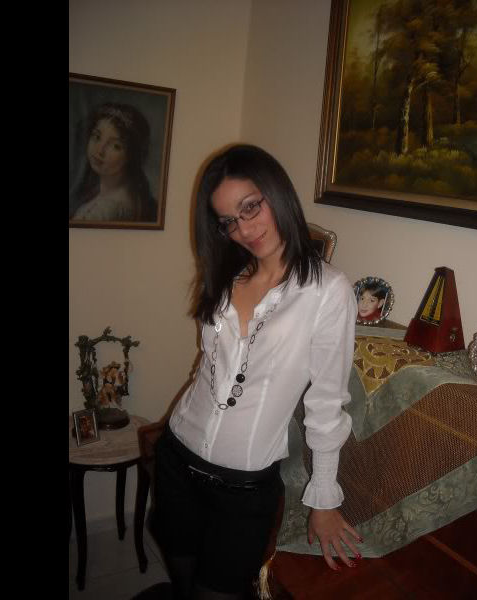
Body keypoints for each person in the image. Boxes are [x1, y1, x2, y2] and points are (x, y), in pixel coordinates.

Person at [149, 144, 361, 600]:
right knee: (182, 580)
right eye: (228, 221)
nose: (244, 230)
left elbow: (326, 403)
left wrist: (324, 499)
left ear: (276, 192)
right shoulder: (228, 277)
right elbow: (210, 369)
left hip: (244, 490)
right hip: (176, 457)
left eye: (250, 207)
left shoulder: (327, 291)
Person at [69, 102, 156, 222]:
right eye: (97, 137)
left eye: (115, 146)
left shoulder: (104, 210)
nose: (100, 150)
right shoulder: (125, 191)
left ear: (131, 155)